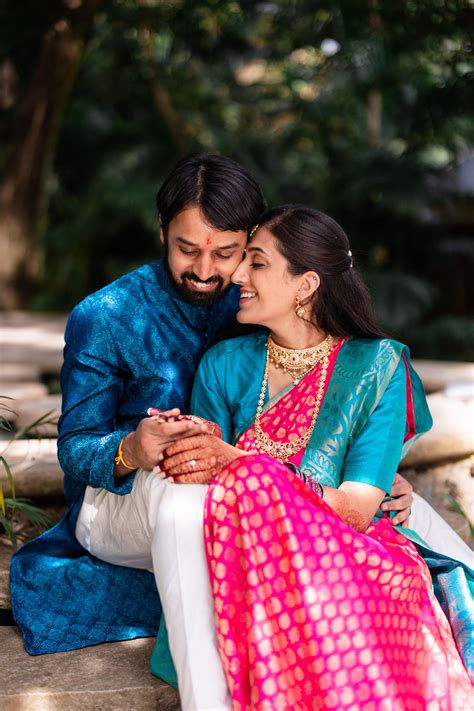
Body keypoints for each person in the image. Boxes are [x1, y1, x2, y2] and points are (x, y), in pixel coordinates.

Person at [9, 155, 470, 702]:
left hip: (250, 488)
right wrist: (131, 448)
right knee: (183, 493)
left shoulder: (254, 295)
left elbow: (341, 393)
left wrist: (374, 477)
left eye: (228, 253)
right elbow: (76, 449)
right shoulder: (107, 315)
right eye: (186, 249)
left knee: (403, 517)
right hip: (128, 498)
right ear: (162, 232)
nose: (207, 270)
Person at [154, 205, 473, 709]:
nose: (236, 274)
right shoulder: (225, 366)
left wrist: (242, 463)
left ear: (305, 285)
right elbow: (201, 479)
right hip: (248, 561)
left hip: (352, 555)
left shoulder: (376, 366)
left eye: (255, 263)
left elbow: (356, 508)